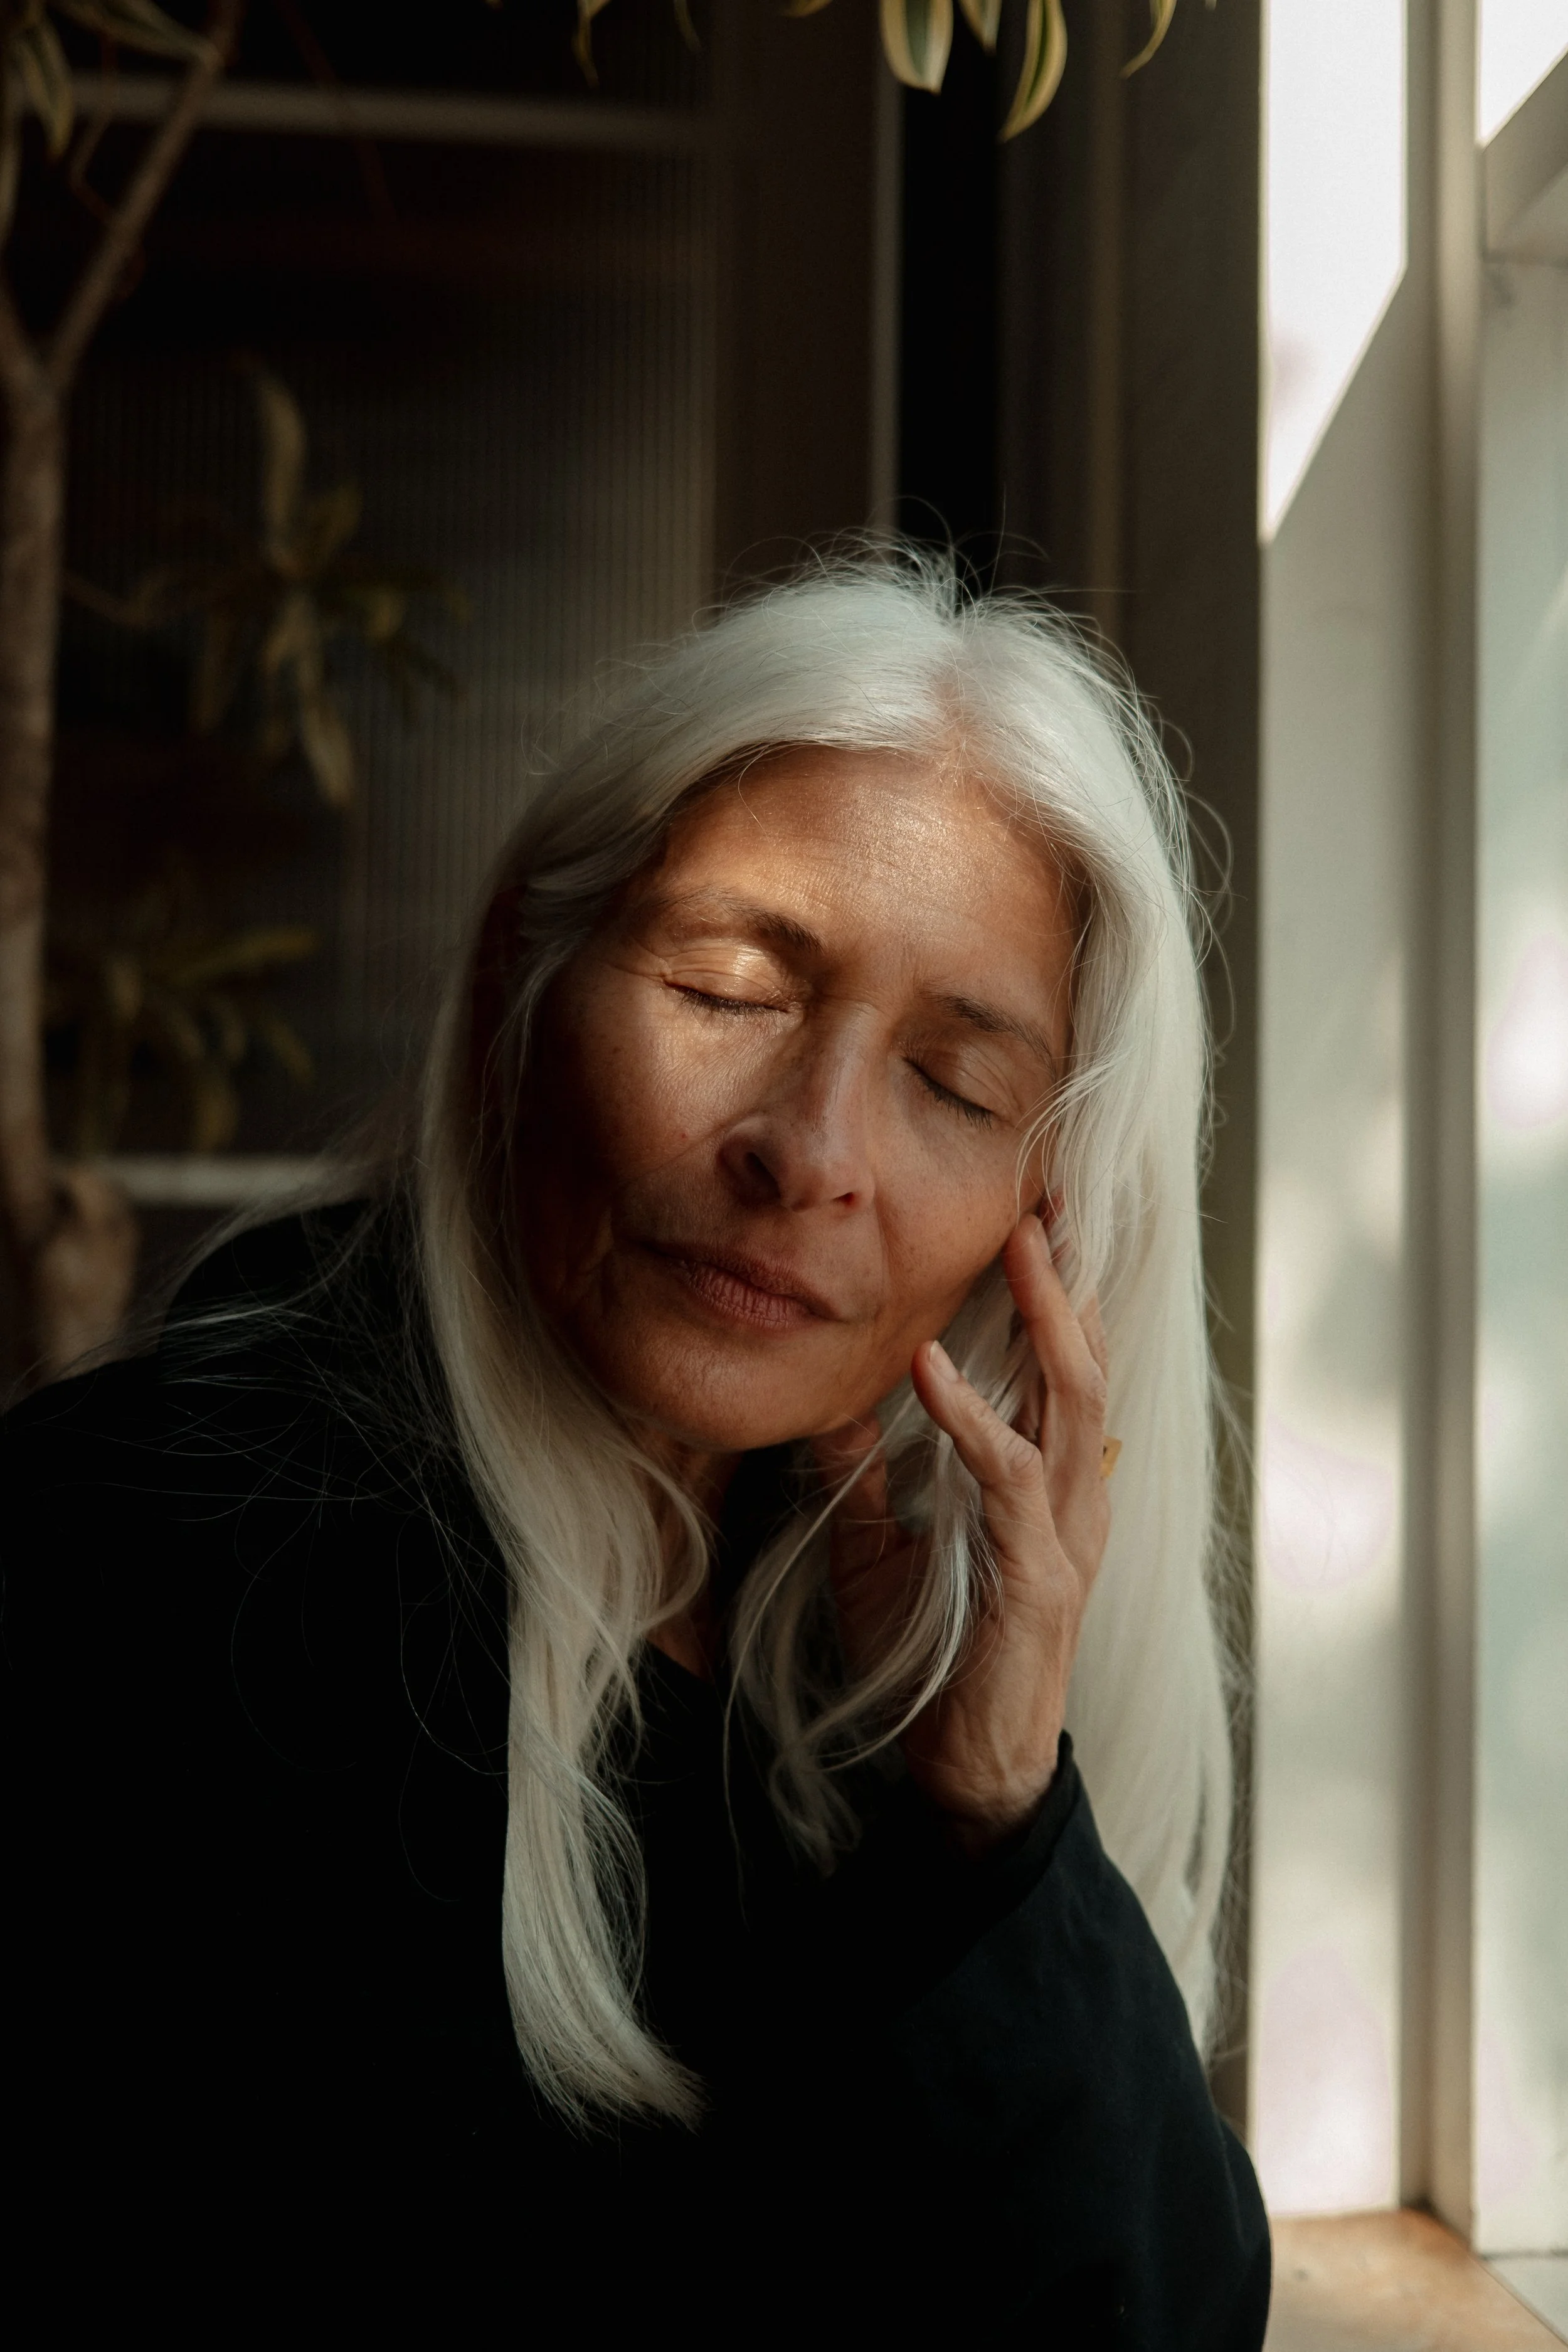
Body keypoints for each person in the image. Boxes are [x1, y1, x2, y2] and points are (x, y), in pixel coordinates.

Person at [3, 557, 1269, 2339]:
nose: (810, 1147)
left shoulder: (860, 1663)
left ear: (1032, 1210)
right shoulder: (139, 1566)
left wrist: (990, 1816)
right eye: (731, 984)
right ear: (528, 963)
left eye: (955, 1086)